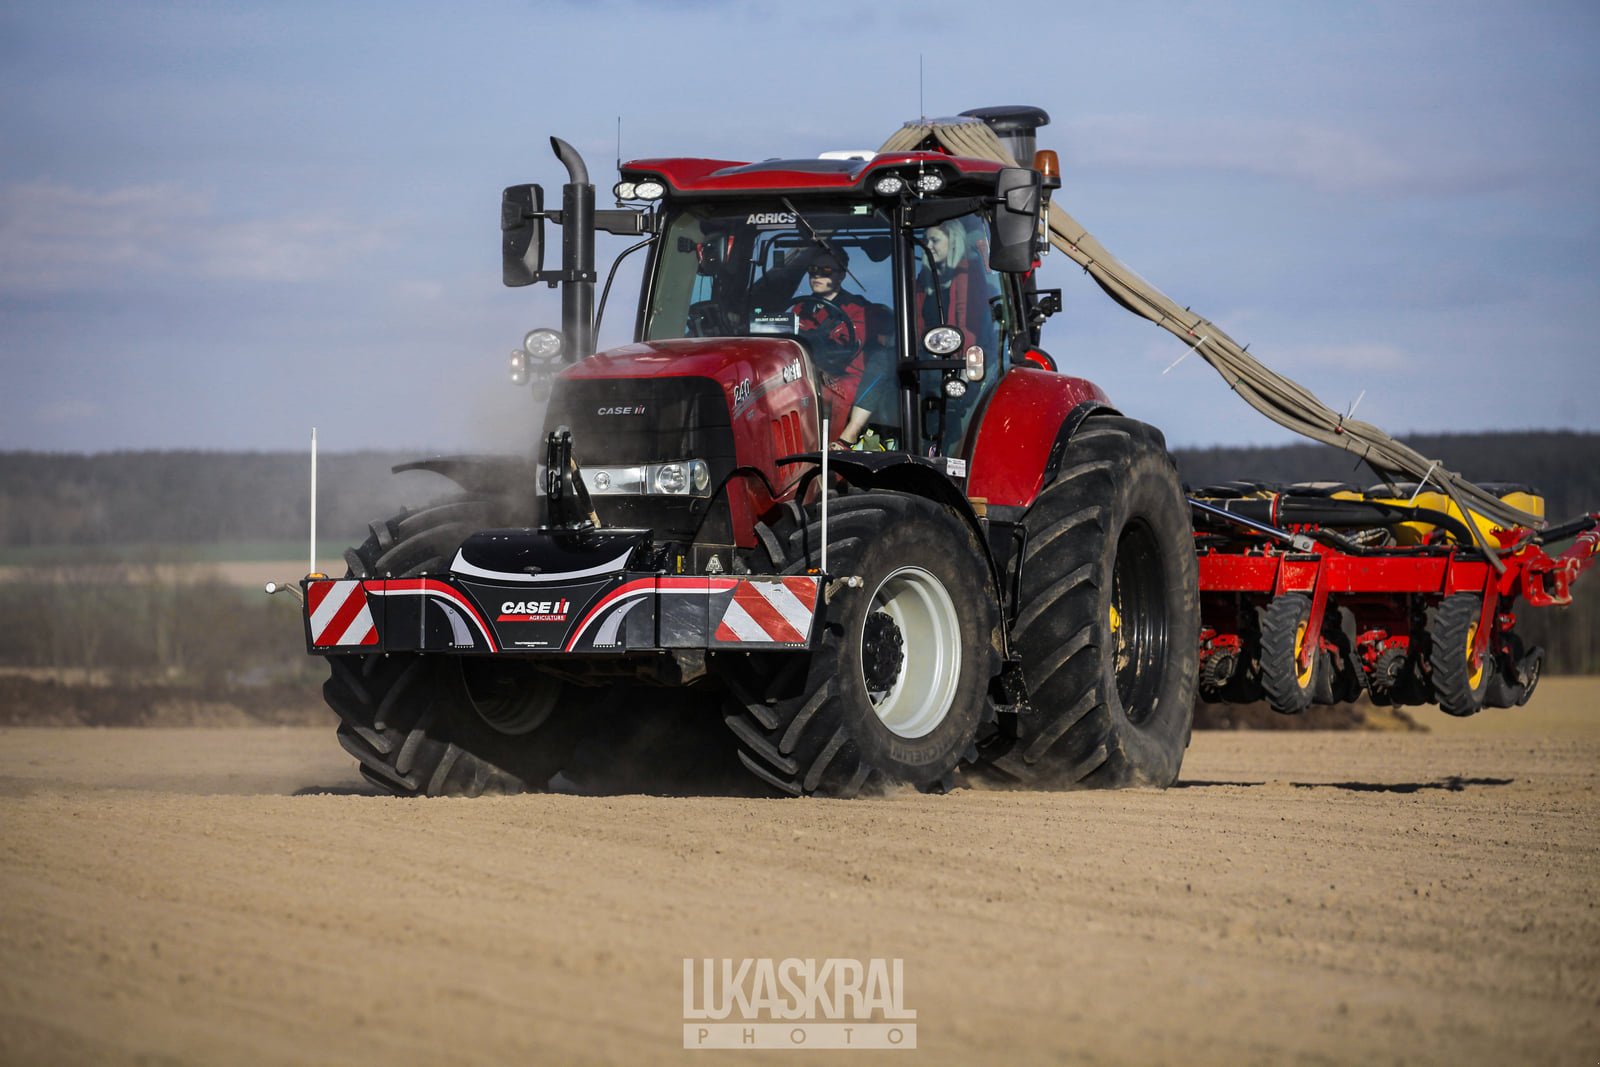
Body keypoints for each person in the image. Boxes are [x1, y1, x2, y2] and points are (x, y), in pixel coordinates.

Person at [792, 249, 875, 447]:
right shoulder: (799, 308)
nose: (817, 275)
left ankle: (833, 453)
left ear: (842, 275)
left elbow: (844, 351)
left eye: (826, 270)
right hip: (804, 372)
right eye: (812, 270)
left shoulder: (857, 309)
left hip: (842, 378)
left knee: (820, 395)